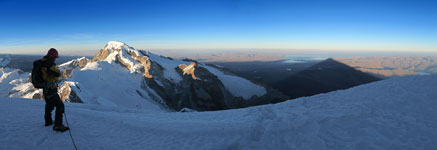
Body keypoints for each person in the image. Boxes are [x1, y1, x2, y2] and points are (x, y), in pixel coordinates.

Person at [40, 48, 69, 132]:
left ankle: (48, 121)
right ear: (52, 56)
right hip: (50, 89)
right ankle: (58, 125)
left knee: (49, 105)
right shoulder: (48, 64)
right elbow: (57, 73)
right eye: (55, 57)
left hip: (46, 89)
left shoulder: (43, 62)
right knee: (60, 105)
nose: (55, 59)